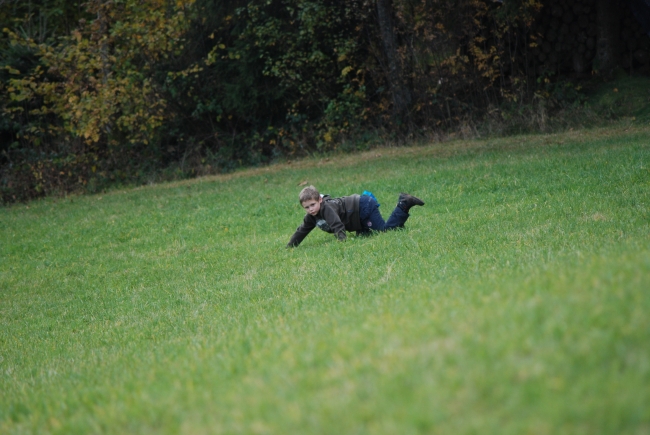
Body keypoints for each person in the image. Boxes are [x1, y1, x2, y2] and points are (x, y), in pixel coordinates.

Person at [287, 185, 424, 247]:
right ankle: (399, 224)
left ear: (320, 200)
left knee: (383, 230)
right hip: (358, 217)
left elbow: (337, 224)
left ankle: (404, 203)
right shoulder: (311, 216)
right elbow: (302, 230)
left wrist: (342, 242)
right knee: (365, 237)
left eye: (312, 205)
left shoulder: (326, 208)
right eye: (307, 207)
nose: (310, 209)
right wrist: (291, 246)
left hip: (363, 206)